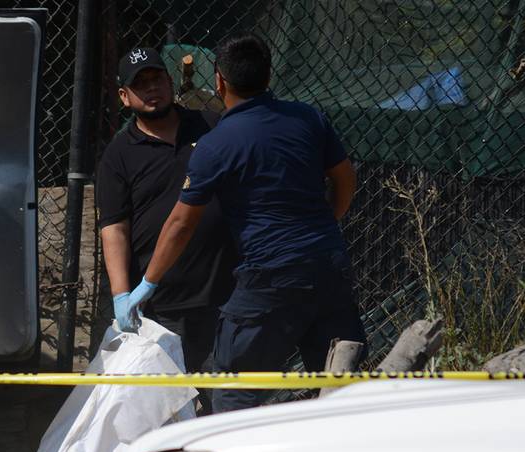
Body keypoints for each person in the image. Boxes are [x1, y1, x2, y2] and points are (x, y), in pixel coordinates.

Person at [126, 33, 366, 413]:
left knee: (235, 393)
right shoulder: (308, 118)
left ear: (219, 80)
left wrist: (146, 283)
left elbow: (180, 225)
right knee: (340, 383)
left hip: (269, 282)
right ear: (269, 75)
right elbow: (345, 177)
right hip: (328, 267)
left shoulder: (216, 144)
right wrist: (326, 223)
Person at [96, 47, 235, 412]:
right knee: (165, 413)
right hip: (161, 305)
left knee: (229, 405)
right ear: (124, 97)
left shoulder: (211, 126)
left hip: (226, 294)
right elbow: (114, 227)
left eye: (156, 78)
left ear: (171, 81)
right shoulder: (118, 155)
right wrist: (122, 295)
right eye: (140, 85)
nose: (151, 88)